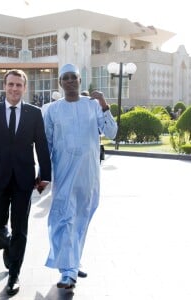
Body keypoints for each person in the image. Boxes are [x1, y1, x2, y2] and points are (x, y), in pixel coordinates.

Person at [0, 69, 51, 296]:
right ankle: (9, 247)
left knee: (20, 227)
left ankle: (14, 274)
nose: (14, 89)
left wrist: (45, 175)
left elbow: (42, 145)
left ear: (25, 88)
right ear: (4, 86)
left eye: (19, 85)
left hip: (24, 179)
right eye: (11, 84)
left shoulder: (34, 113)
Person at [43, 64, 117, 289]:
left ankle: (72, 263)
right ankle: (68, 270)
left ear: (79, 80)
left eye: (73, 77)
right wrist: (43, 175)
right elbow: (46, 143)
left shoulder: (93, 105)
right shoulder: (53, 110)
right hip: (64, 174)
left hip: (88, 176)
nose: (69, 81)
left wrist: (104, 105)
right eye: (65, 78)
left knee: (81, 220)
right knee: (63, 219)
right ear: (60, 83)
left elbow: (112, 133)